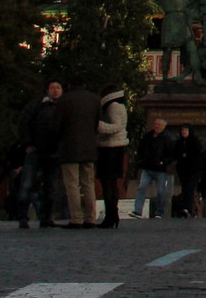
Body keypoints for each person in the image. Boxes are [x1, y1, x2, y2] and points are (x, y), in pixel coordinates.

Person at [18, 82, 64, 228]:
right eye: (52, 88)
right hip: (36, 150)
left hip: (53, 152)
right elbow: (24, 123)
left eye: (58, 88)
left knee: (51, 187)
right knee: (27, 184)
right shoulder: (36, 105)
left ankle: (45, 217)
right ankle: (22, 217)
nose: (55, 91)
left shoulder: (64, 106)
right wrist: (27, 144)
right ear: (47, 90)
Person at [56, 82, 101, 229]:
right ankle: (91, 218)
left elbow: (57, 124)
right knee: (89, 184)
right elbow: (97, 123)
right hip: (89, 148)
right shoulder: (94, 99)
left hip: (69, 148)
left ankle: (76, 219)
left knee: (72, 184)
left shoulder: (64, 100)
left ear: (69, 86)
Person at [94, 85, 128, 229]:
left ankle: (111, 215)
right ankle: (113, 215)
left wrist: (98, 125)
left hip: (110, 147)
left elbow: (116, 126)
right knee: (111, 183)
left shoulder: (113, 106)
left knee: (108, 182)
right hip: (115, 147)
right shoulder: (117, 104)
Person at [133, 117, 173, 219]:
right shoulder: (148, 136)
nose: (156, 126)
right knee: (142, 187)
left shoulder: (167, 138)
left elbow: (171, 154)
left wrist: (163, 161)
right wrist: (141, 160)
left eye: (158, 124)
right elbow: (141, 148)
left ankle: (159, 211)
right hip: (147, 167)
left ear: (164, 126)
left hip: (160, 169)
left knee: (160, 191)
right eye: (155, 124)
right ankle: (137, 210)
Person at [175, 125, 203, 218]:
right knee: (185, 189)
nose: (184, 132)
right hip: (183, 171)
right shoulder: (179, 142)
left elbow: (197, 154)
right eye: (182, 130)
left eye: (186, 130)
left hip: (194, 170)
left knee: (190, 189)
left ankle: (189, 209)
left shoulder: (195, 142)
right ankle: (185, 208)